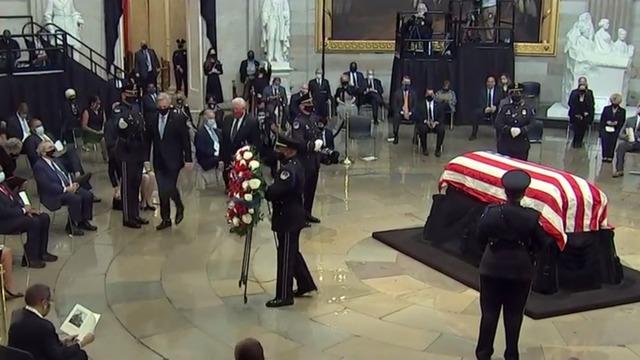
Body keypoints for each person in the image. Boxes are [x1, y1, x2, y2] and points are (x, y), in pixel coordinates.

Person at [475, 169, 552, 360]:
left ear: (504, 190)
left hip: (491, 268)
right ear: (524, 192)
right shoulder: (531, 217)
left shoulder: (491, 213)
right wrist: (530, 254)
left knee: (489, 314)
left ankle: (483, 354)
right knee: (514, 315)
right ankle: (511, 354)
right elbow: (544, 243)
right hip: (520, 271)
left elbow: (479, 237)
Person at [264, 136, 317, 307]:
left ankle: (284, 295)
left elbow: (276, 191)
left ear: (290, 150)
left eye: (283, 149)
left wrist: (266, 190)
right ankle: (305, 283)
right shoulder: (295, 164)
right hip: (293, 215)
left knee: (285, 255)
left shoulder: (288, 171)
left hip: (288, 217)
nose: (281, 152)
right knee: (292, 251)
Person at [8, 284, 94, 360]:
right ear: (44, 303)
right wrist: (82, 343)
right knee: (80, 355)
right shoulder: (44, 326)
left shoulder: (16, 315)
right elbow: (59, 356)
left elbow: (38, 342)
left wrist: (62, 342)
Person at [147, 93, 192, 230]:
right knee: (162, 190)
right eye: (160, 106)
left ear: (169, 105)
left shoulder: (178, 119)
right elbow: (148, 140)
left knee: (169, 186)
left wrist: (188, 159)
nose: (162, 108)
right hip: (158, 159)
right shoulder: (153, 119)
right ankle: (165, 219)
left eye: (165, 106)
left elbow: (185, 140)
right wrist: (145, 159)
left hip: (174, 159)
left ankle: (179, 206)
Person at [33, 141, 97, 236]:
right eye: (50, 148)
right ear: (43, 152)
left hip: (68, 187)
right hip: (54, 194)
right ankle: (71, 225)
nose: (52, 149)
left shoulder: (56, 161)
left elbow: (65, 174)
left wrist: (73, 184)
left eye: (52, 147)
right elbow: (47, 185)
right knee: (75, 198)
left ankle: (83, 221)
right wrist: (65, 189)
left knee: (87, 195)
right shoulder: (39, 166)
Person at [0, 164, 55, 269]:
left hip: (15, 215)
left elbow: (15, 200)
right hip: (4, 222)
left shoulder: (4, 185)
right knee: (33, 222)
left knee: (43, 217)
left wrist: (28, 210)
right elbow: (3, 212)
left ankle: (42, 252)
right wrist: (23, 210)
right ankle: (31, 258)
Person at [113, 83, 150, 228]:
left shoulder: (136, 108)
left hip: (138, 151)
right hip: (126, 152)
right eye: (130, 92)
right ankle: (128, 217)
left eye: (134, 92)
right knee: (128, 186)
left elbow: (141, 127)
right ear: (123, 94)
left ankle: (135, 214)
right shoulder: (118, 109)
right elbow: (120, 126)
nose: (133, 95)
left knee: (136, 184)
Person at [290, 94, 323, 224]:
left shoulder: (313, 118)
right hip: (304, 160)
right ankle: (300, 216)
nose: (311, 105)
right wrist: (312, 145)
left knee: (311, 189)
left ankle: (308, 213)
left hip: (314, 160)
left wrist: (320, 141)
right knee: (302, 190)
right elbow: (298, 141)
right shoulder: (299, 121)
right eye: (307, 103)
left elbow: (318, 132)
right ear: (301, 106)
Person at [221, 98, 261, 187]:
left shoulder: (251, 122)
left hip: (243, 158)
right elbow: (223, 139)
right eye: (233, 109)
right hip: (228, 157)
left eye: (236, 109)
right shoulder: (227, 119)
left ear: (243, 109)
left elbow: (256, 142)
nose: (234, 111)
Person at [495, 83, 535, 161]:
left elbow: (533, 123)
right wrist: (509, 129)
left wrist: (522, 130)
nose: (516, 95)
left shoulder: (528, 108)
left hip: (521, 143)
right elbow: (498, 123)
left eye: (518, 92)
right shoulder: (505, 108)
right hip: (506, 143)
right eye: (513, 92)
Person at [194, 109, 221, 187]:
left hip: (218, 158)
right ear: (205, 118)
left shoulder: (217, 132)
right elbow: (200, 148)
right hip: (206, 160)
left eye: (213, 118)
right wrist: (214, 154)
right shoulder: (200, 133)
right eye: (210, 118)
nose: (212, 120)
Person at [470, 75, 501, 141]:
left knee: (500, 115)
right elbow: (478, 102)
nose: (490, 83)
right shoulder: (481, 91)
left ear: (494, 83)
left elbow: (501, 102)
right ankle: (473, 134)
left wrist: (496, 107)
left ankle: (499, 136)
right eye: (488, 82)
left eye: (492, 82)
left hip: (495, 109)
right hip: (485, 109)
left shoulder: (499, 91)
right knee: (475, 113)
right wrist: (484, 108)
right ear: (486, 83)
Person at [416, 88, 446, 157]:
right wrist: (426, 121)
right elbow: (417, 116)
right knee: (422, 129)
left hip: (435, 123)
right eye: (428, 94)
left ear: (434, 95)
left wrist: (436, 122)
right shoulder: (420, 104)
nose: (430, 96)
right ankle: (424, 149)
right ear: (425, 95)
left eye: (431, 94)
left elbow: (442, 116)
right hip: (425, 123)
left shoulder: (438, 105)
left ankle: (438, 150)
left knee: (441, 129)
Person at [567, 77, 595, 149]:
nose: (582, 84)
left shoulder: (589, 93)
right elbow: (571, 104)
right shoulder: (574, 92)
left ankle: (579, 140)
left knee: (583, 122)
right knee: (577, 122)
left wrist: (585, 113)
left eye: (584, 82)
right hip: (575, 114)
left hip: (585, 114)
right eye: (581, 83)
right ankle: (575, 140)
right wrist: (577, 114)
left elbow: (591, 105)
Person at [613, 107, 640, 178]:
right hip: (630, 142)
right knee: (621, 146)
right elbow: (620, 134)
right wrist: (626, 137)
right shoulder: (629, 120)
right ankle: (619, 170)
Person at [391, 76, 418, 144]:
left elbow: (415, 105)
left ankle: (415, 137)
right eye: (405, 82)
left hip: (410, 113)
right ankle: (396, 135)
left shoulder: (413, 93)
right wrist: (402, 112)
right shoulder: (397, 93)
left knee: (418, 116)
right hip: (401, 112)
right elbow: (394, 106)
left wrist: (410, 112)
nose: (406, 84)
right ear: (402, 82)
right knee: (396, 116)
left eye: (407, 83)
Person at [599, 93, 626, 163]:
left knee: (612, 142)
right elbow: (602, 120)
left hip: (615, 129)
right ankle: (604, 156)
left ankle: (610, 157)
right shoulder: (606, 109)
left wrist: (616, 124)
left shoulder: (622, 111)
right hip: (605, 128)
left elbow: (622, 122)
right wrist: (607, 123)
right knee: (604, 141)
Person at [80, 95, 107, 160]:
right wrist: (96, 132)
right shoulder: (87, 111)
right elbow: (84, 126)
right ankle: (106, 157)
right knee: (103, 139)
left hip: (100, 132)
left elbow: (104, 122)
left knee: (108, 137)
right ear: (92, 103)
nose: (99, 105)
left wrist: (102, 129)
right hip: (90, 133)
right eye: (97, 103)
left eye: (100, 103)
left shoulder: (101, 111)